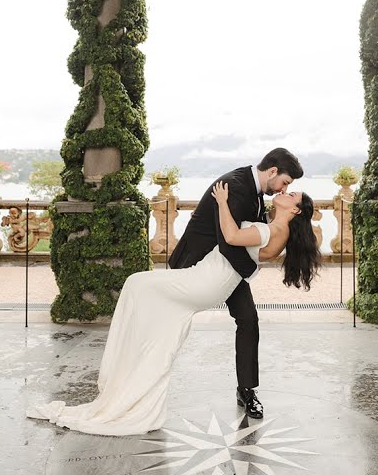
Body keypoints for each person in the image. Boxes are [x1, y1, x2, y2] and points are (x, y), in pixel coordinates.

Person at [27, 182, 320, 436]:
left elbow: (231, 237)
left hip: (207, 281)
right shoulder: (272, 225)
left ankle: (128, 366)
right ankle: (136, 370)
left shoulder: (275, 229)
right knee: (144, 296)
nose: (287, 191)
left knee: (136, 285)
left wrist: (220, 202)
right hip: (213, 280)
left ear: (295, 210)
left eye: (293, 194)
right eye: (287, 186)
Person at [166, 148, 304, 419]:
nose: (283, 189)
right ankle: (152, 377)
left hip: (225, 266)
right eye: (286, 183)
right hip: (196, 264)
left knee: (248, 319)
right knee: (172, 324)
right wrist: (253, 270)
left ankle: (247, 390)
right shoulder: (234, 185)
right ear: (273, 171)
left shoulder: (254, 191)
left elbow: (244, 238)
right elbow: (227, 241)